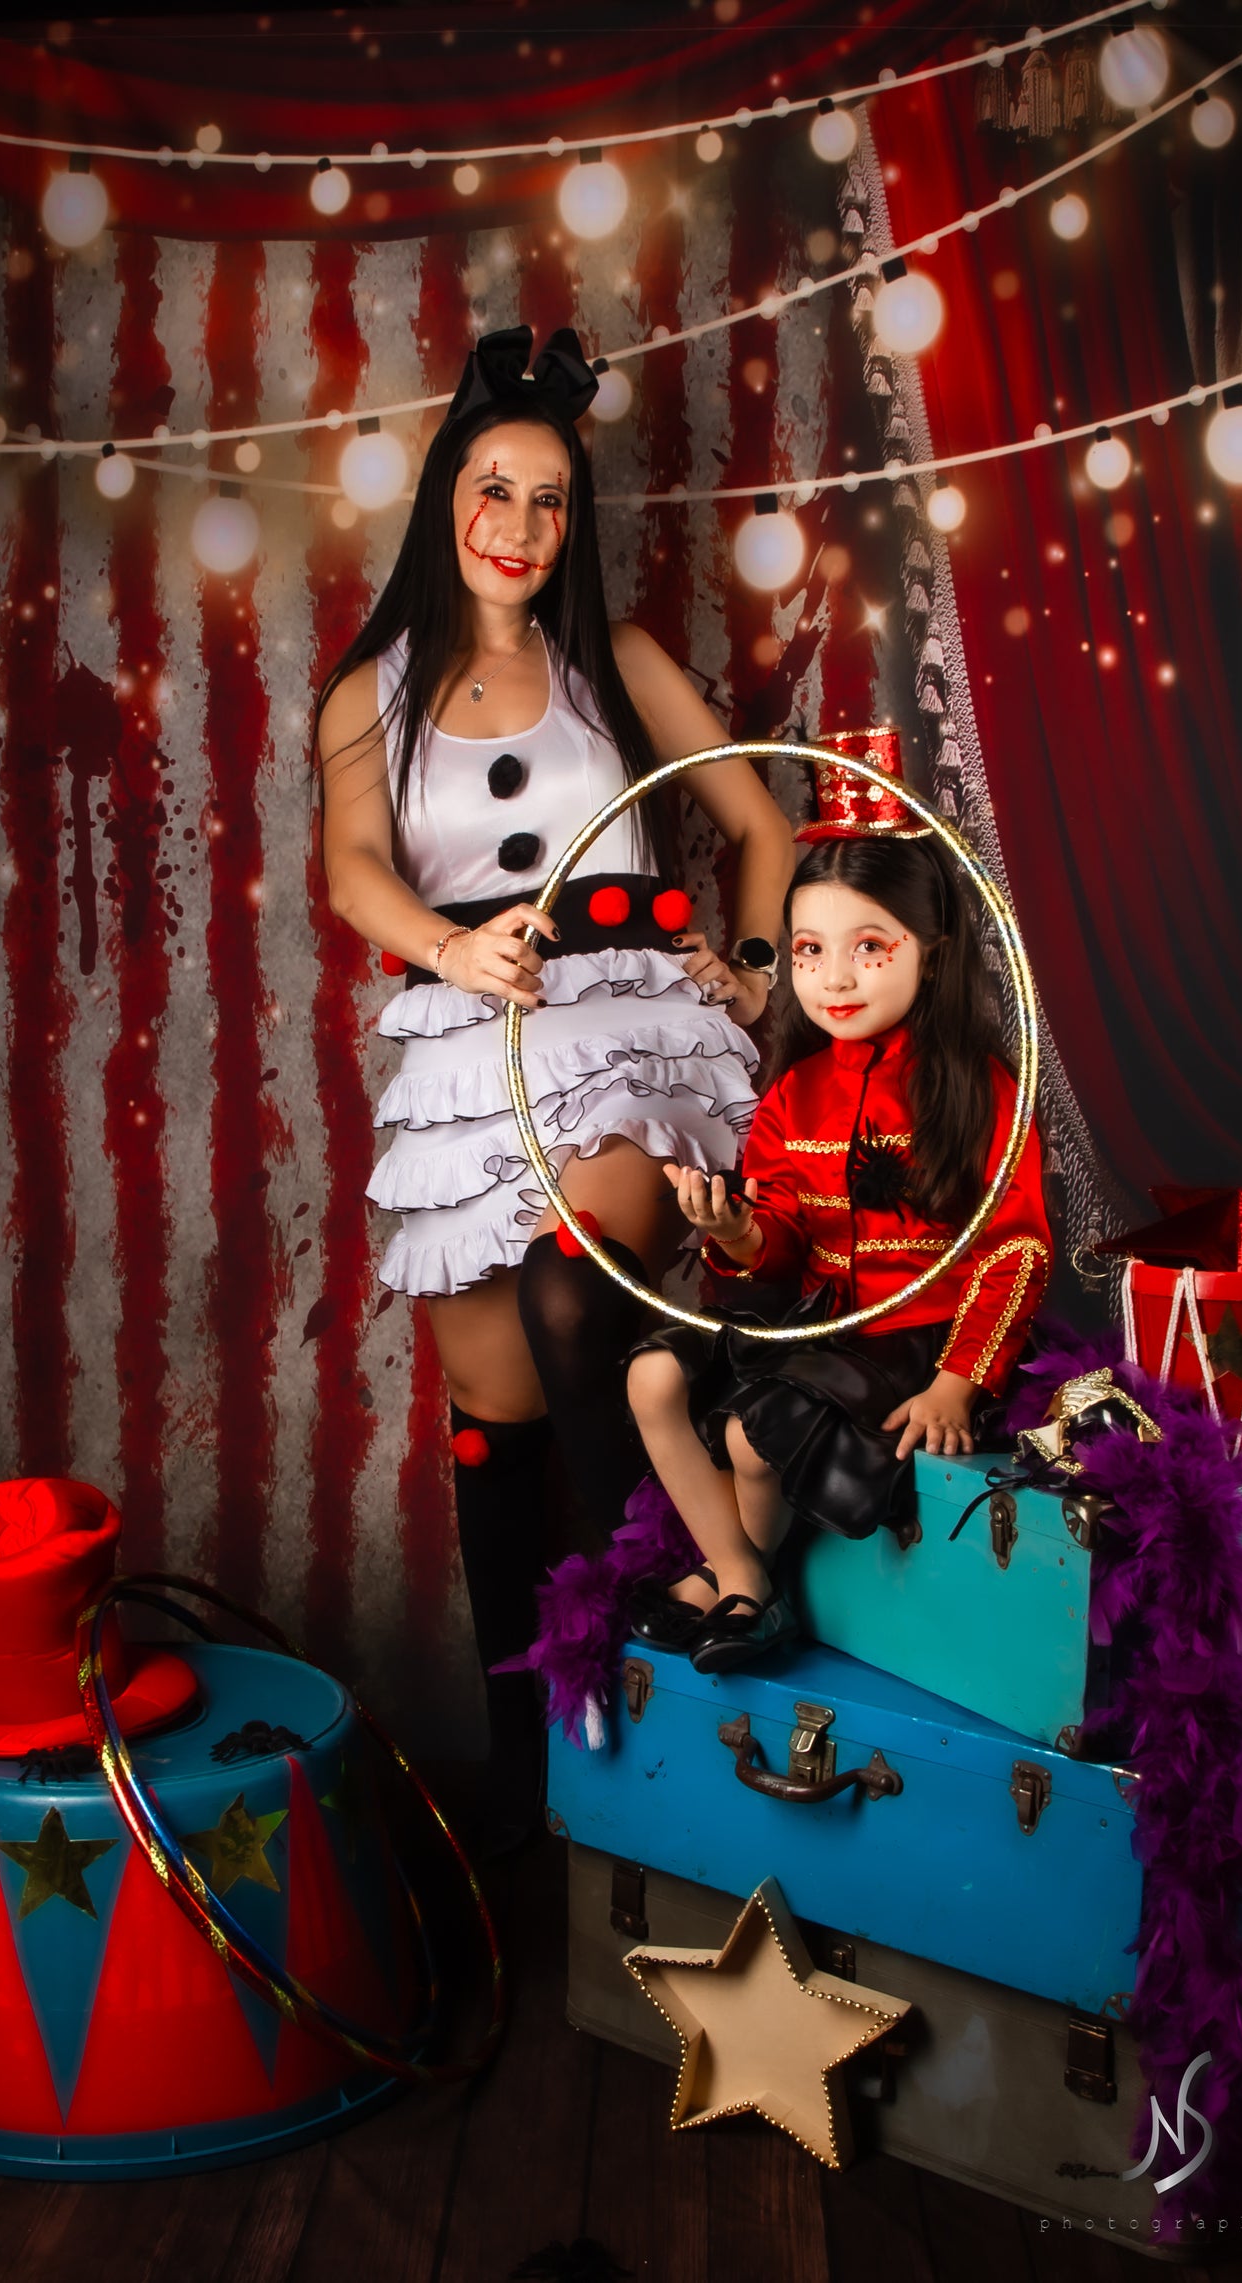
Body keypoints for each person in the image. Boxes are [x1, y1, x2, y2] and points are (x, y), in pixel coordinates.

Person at [314, 325, 795, 1842]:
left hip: (629, 1030)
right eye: (492, 489)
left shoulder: (619, 660)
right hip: (471, 1050)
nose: (517, 525)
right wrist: (449, 952)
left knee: (571, 1293)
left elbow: (763, 829)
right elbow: (352, 870)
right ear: (445, 500)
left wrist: (756, 969)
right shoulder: (368, 693)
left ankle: (697, 1610)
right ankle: (544, 1797)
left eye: (547, 500)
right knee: (496, 1416)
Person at [624, 788, 1050, 1675]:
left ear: (931, 952)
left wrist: (958, 1383)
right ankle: (740, 1570)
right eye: (810, 950)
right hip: (814, 1326)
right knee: (652, 1375)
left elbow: (1016, 1248)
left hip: (915, 1340)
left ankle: (743, 1588)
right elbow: (780, 1243)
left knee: (752, 1433)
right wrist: (740, 1232)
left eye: (869, 948)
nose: (835, 979)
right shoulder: (796, 1091)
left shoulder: (982, 1091)